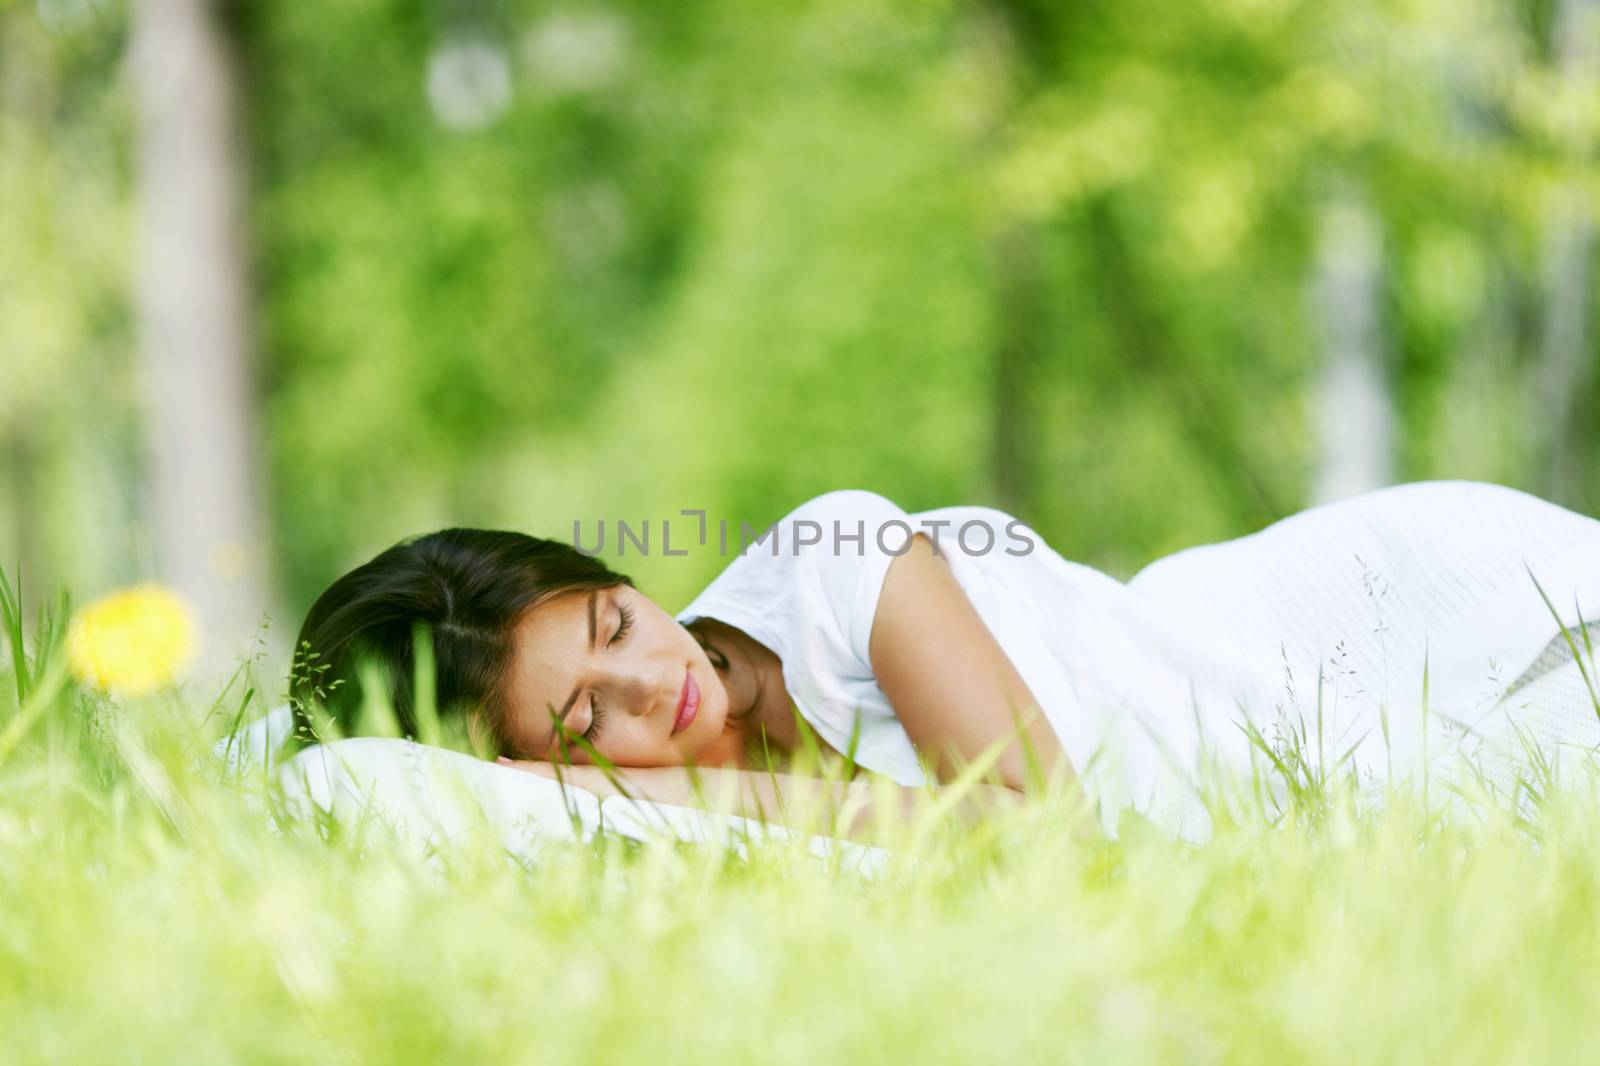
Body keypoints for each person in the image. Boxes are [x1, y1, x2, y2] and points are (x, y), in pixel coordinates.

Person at [288, 483, 1600, 842]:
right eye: (588, 717)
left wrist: (688, 785)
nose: (654, 678)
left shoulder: (843, 558)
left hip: (1328, 635)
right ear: (530, 766)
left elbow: (1048, 844)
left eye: (615, 620)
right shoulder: (640, 841)